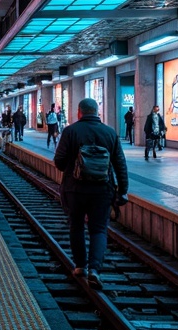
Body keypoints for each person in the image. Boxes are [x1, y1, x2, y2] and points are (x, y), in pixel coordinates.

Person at [53, 98, 128, 289]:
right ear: (97, 112)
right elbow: (120, 164)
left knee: (76, 226)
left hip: (74, 189)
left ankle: (80, 267)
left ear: (80, 112)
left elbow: (59, 161)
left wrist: (73, 166)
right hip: (102, 190)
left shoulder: (70, 131)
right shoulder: (110, 132)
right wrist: (123, 191)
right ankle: (95, 270)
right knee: (99, 230)